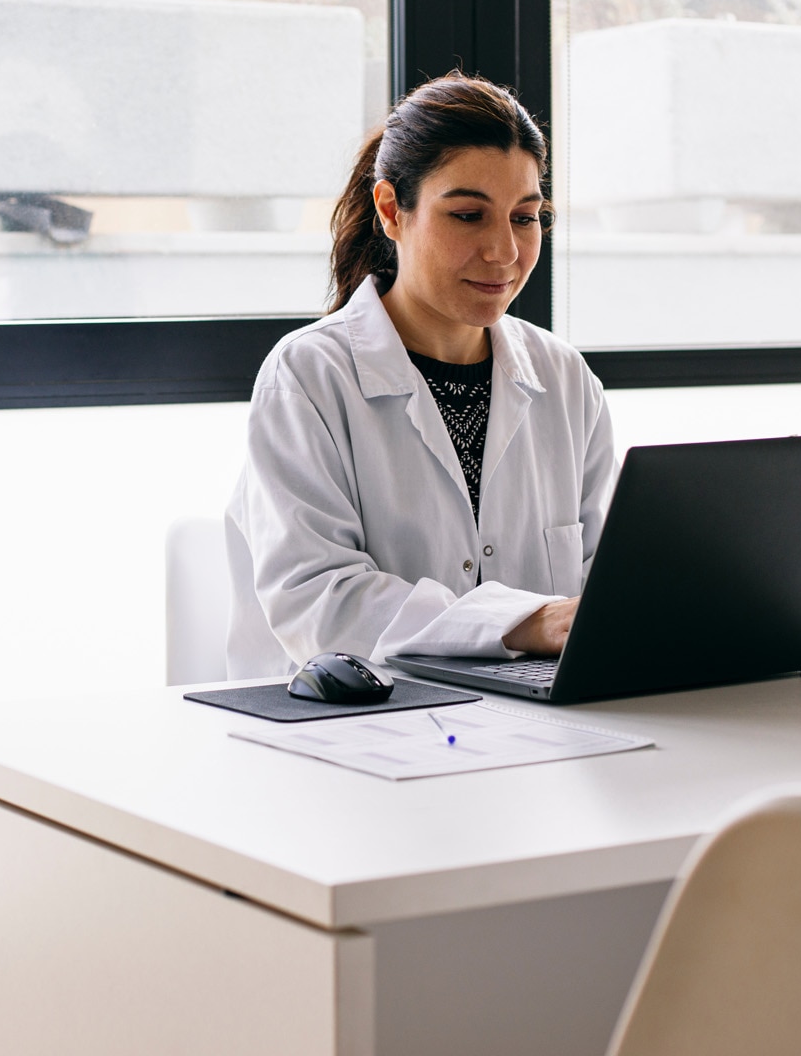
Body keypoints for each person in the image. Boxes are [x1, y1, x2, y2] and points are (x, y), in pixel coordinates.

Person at [224, 73, 618, 679]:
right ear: (391, 210)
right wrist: (521, 623)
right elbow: (317, 601)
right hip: (353, 729)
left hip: (533, 726)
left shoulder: (564, 379)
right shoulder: (309, 375)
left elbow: (611, 586)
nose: (504, 252)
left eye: (525, 217)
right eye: (467, 215)